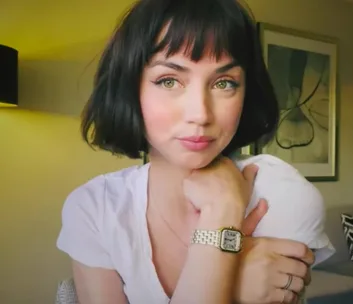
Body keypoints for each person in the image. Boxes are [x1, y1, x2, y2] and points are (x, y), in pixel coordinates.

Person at [56, 0, 335, 303]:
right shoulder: (96, 208)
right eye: (169, 80)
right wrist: (222, 219)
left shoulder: (280, 194)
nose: (200, 114)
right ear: (130, 88)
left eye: (224, 83)